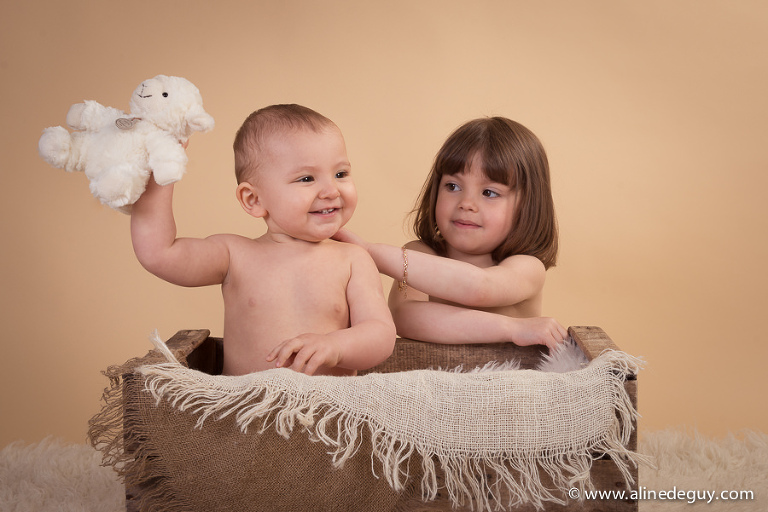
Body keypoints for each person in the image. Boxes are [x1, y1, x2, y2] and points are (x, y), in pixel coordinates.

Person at [131, 104, 396, 376]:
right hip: (249, 402)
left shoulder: (352, 259)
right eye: (306, 178)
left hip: (325, 403)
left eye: (341, 174)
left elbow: (381, 334)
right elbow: (159, 254)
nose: (331, 190)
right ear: (253, 199)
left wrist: (335, 346)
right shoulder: (234, 255)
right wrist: (160, 171)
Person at [334, 116, 567, 351]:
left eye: (489, 192)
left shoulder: (526, 267)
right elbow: (403, 316)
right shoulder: (418, 253)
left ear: (527, 205)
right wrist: (510, 328)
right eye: (453, 186)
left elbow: (479, 288)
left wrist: (371, 253)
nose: (466, 203)